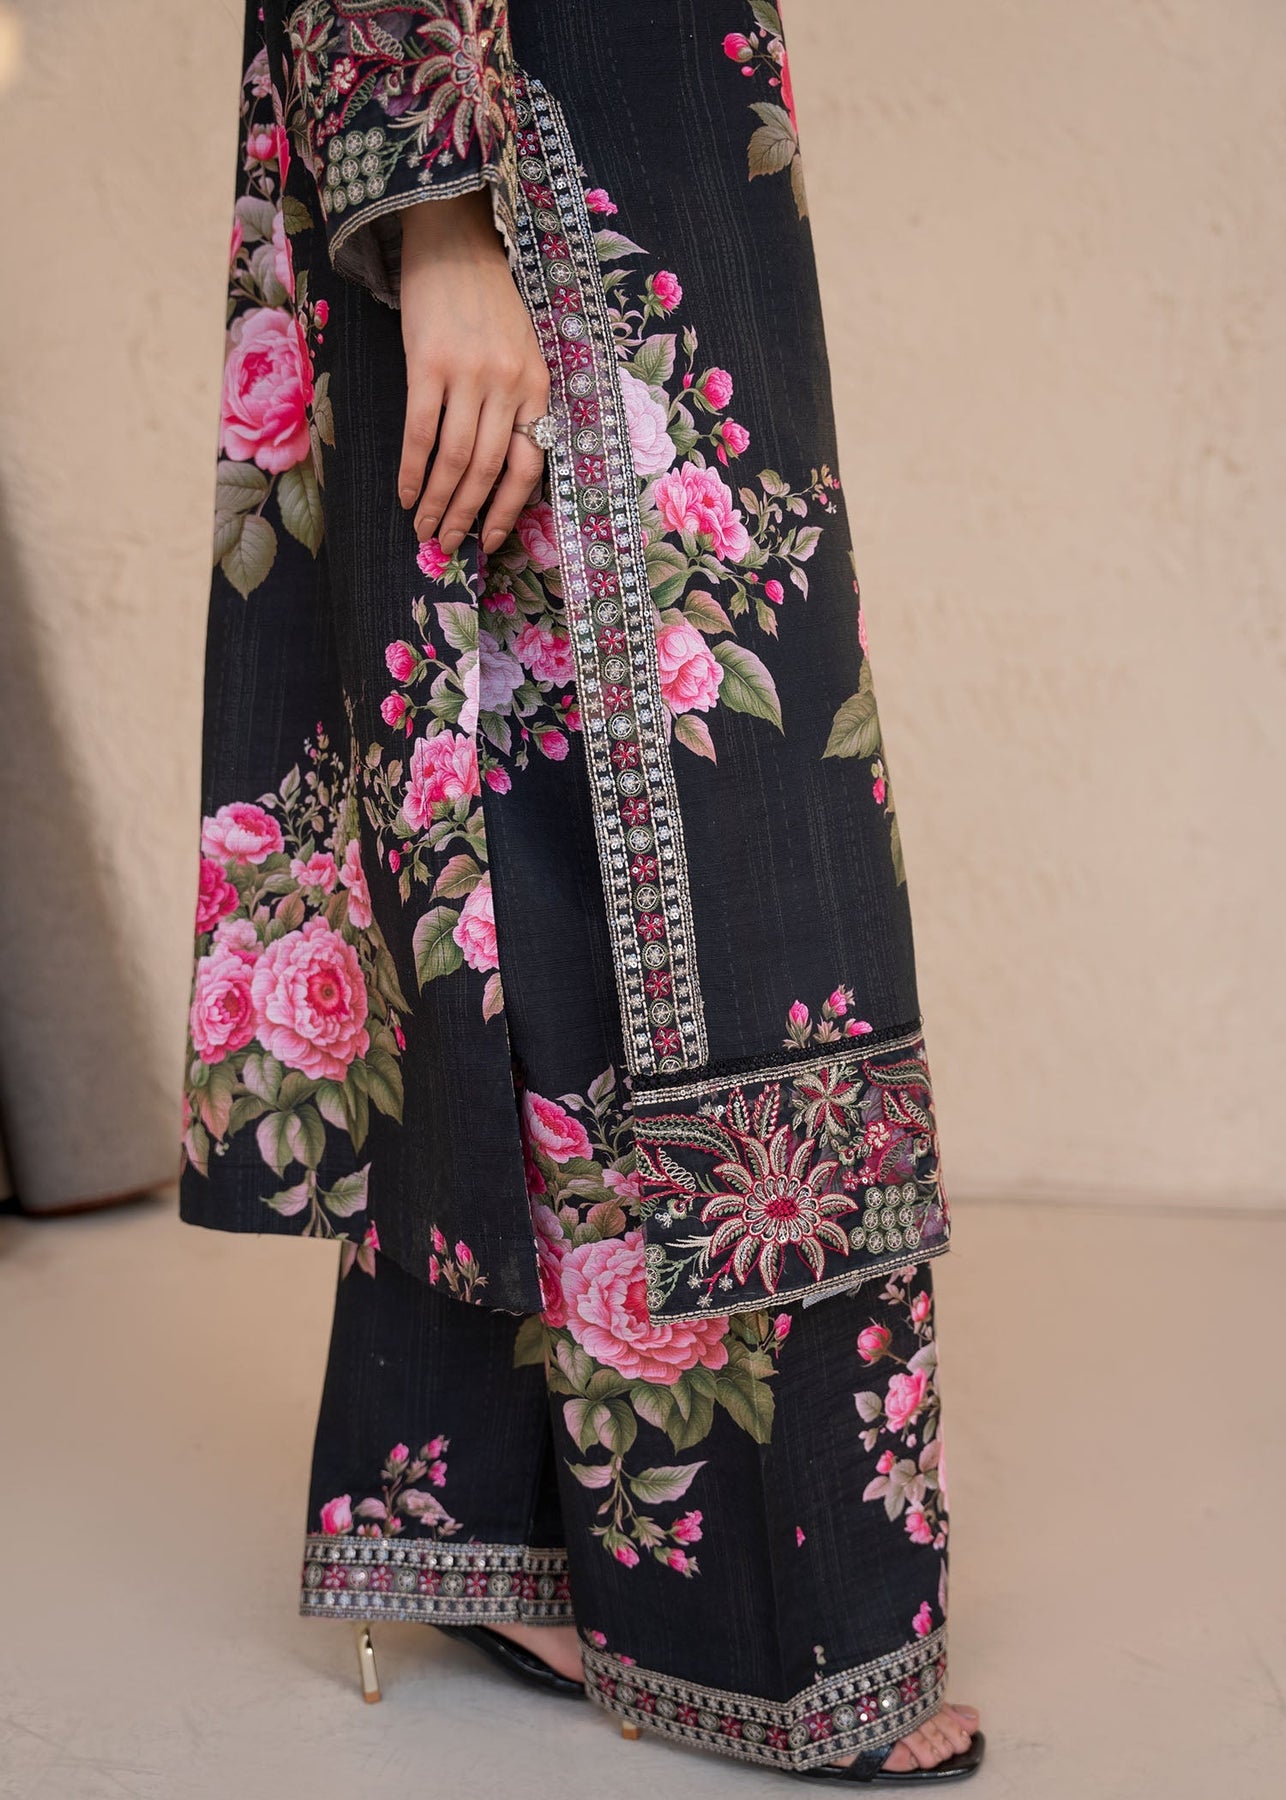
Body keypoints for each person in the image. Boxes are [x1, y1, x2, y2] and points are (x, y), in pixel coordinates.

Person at [181, 2, 985, 1782]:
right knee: (683, 840)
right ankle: (767, 1613)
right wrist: (436, 223)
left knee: (518, 817)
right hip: (509, 150)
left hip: (657, 130)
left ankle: (490, 1513)